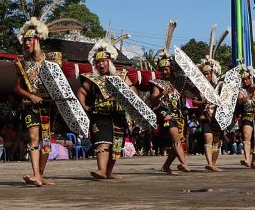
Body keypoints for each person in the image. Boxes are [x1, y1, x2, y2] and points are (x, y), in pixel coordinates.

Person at [13, 15, 61, 186]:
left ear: (38, 39)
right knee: (34, 138)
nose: (26, 44)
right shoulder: (21, 62)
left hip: (48, 106)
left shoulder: (53, 59)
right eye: (24, 40)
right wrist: (31, 96)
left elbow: (59, 82)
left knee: (46, 143)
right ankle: (35, 174)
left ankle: (40, 175)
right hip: (30, 106)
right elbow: (17, 88)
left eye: (29, 40)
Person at [77, 37, 136, 180]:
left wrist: (125, 93)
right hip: (99, 114)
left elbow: (133, 90)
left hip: (118, 115)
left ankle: (108, 172)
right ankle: (101, 170)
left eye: (103, 61)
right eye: (98, 62)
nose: (101, 64)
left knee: (116, 145)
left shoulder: (122, 76)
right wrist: (84, 106)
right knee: (103, 140)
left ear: (109, 61)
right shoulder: (92, 79)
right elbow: (81, 92)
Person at [148, 50, 188, 174]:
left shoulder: (180, 81)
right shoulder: (158, 84)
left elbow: (194, 90)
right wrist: (161, 94)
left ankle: (166, 166)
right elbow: (152, 100)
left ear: (171, 68)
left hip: (179, 115)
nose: (164, 72)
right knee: (175, 138)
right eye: (162, 69)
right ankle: (183, 163)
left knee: (177, 143)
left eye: (166, 69)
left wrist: (199, 95)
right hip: (166, 114)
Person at [190, 56, 223, 172]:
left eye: (207, 73)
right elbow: (194, 101)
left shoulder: (220, 85)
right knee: (208, 137)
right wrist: (203, 102)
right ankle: (209, 163)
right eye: (203, 74)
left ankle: (213, 164)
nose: (205, 76)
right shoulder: (200, 87)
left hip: (218, 116)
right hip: (205, 115)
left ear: (212, 73)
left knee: (216, 141)